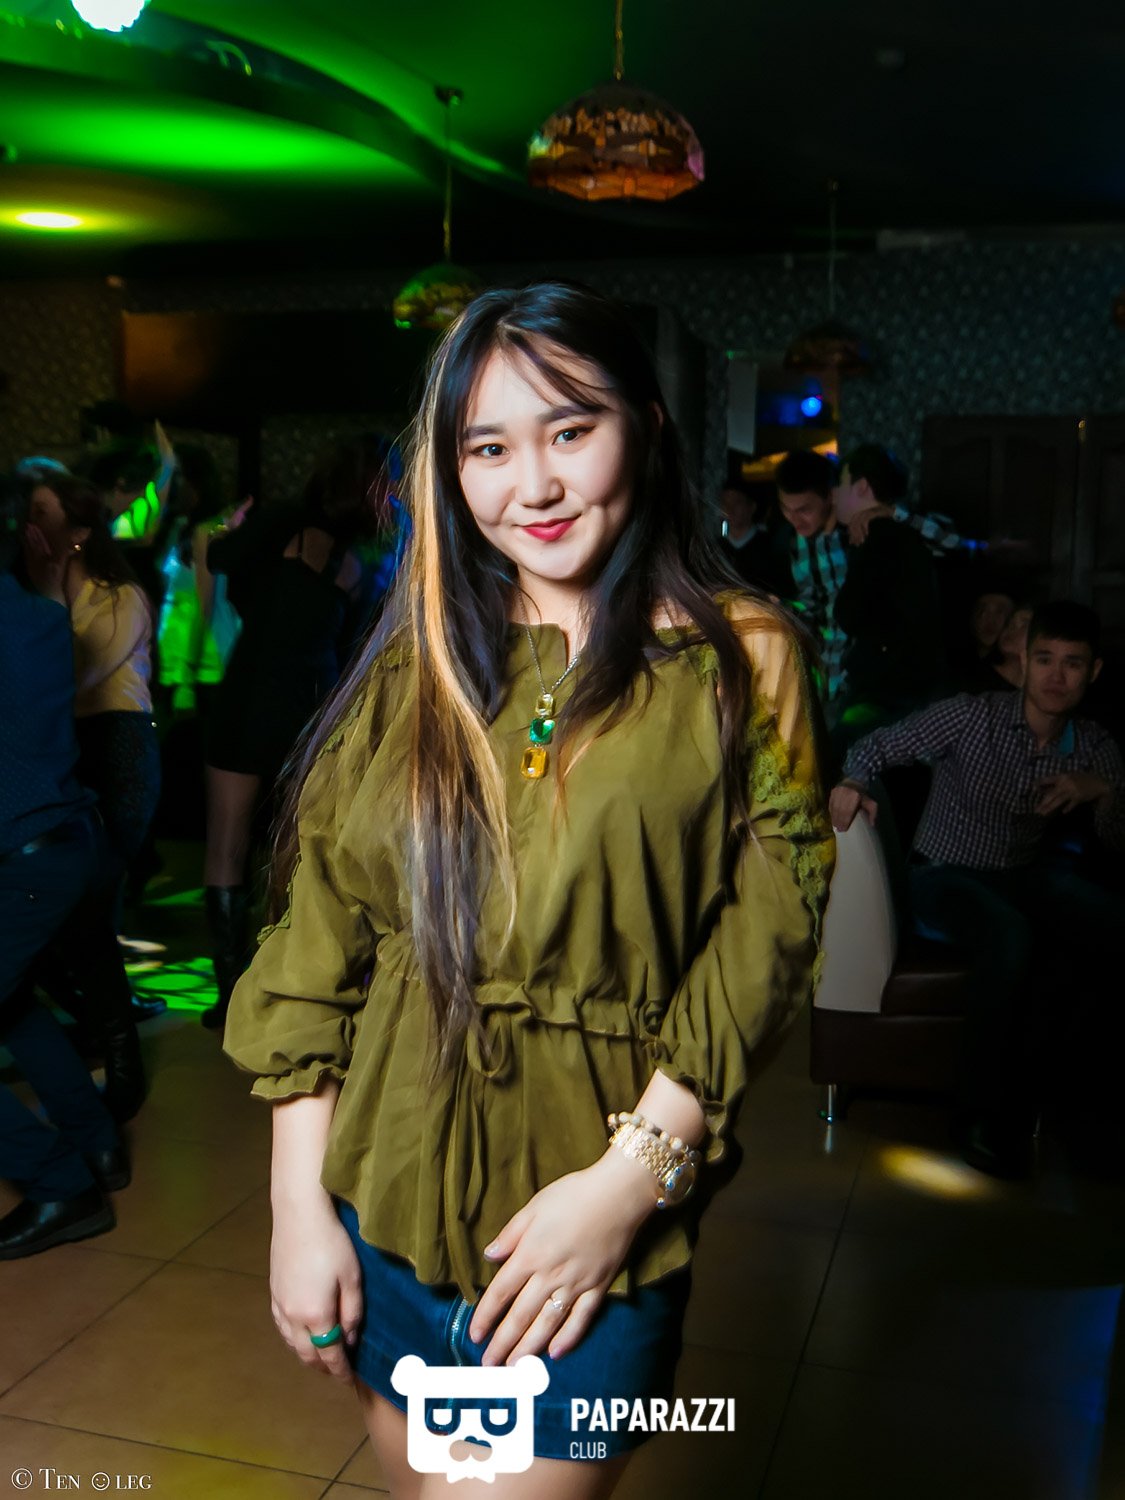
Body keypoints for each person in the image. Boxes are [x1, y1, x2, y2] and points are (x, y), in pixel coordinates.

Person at [222, 281, 832, 1494]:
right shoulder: (420, 660)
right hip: (388, 1212)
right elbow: (320, 943)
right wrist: (298, 1211)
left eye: (571, 429)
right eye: (488, 448)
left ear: (646, 429)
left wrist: (628, 1188)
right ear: (450, 473)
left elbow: (766, 936)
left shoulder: (737, 655)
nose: (534, 486)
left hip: (585, 1245)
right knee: (431, 1487)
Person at [829, 600, 1125, 1178]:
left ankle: (1078, 1097)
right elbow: (876, 744)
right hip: (941, 873)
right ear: (1025, 660)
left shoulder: (1094, 746)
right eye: (1045, 659)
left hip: (1021, 875)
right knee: (1010, 934)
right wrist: (852, 780)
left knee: (1107, 920)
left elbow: (1118, 842)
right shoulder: (972, 716)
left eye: (1072, 664)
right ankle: (977, 1117)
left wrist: (1103, 792)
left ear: (1093, 672)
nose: (1056, 676)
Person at [200, 434, 395, 1031]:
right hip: (309, 711)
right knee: (297, 851)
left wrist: (228, 528)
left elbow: (218, 559)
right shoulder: (363, 563)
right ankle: (282, 983)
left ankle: (232, 992)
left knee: (229, 843)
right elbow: (353, 648)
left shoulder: (285, 522)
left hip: (251, 696)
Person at [0, 475, 128, 1259]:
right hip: (64, 846)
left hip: (25, 858)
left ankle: (59, 1184)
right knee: (12, 1006)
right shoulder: (42, 617)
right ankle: (97, 1142)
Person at [20, 471, 161, 1120]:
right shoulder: (25, 599)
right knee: (57, 911)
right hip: (61, 752)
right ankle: (96, 1024)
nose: (29, 523)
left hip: (118, 747)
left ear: (77, 533)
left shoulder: (120, 596)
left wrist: (49, 596)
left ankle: (119, 1051)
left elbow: (71, 677)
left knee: (95, 905)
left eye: (42, 512)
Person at [829, 445, 946, 754]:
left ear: (861, 486)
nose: (834, 494)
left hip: (885, 688)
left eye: (840, 483)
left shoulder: (880, 537)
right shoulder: (902, 534)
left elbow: (848, 612)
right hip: (907, 684)